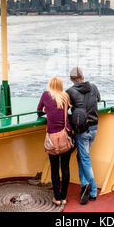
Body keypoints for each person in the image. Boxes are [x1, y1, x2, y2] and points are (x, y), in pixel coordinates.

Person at [66, 67, 101, 205]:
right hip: (94, 127)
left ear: (70, 79)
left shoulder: (70, 92)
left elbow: (65, 109)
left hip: (82, 130)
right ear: (83, 76)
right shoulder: (93, 87)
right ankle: (83, 185)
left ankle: (92, 190)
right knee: (81, 156)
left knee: (85, 159)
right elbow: (98, 99)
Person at [37, 77, 73, 207]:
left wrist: (44, 110)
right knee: (65, 167)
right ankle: (63, 197)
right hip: (66, 135)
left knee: (54, 169)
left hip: (52, 137)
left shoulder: (46, 95)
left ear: (50, 85)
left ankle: (57, 198)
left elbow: (38, 112)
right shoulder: (65, 96)